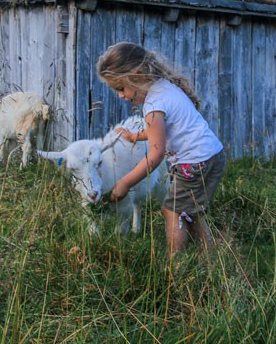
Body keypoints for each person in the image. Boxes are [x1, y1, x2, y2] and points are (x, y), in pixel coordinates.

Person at [96, 42, 226, 256]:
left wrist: (125, 183)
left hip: (193, 164)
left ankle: (175, 264)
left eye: (120, 88)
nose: (120, 95)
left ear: (136, 75)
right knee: (192, 211)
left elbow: (155, 155)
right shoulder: (165, 87)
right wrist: (135, 136)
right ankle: (208, 257)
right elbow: (161, 130)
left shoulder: (153, 105)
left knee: (172, 210)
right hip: (212, 156)